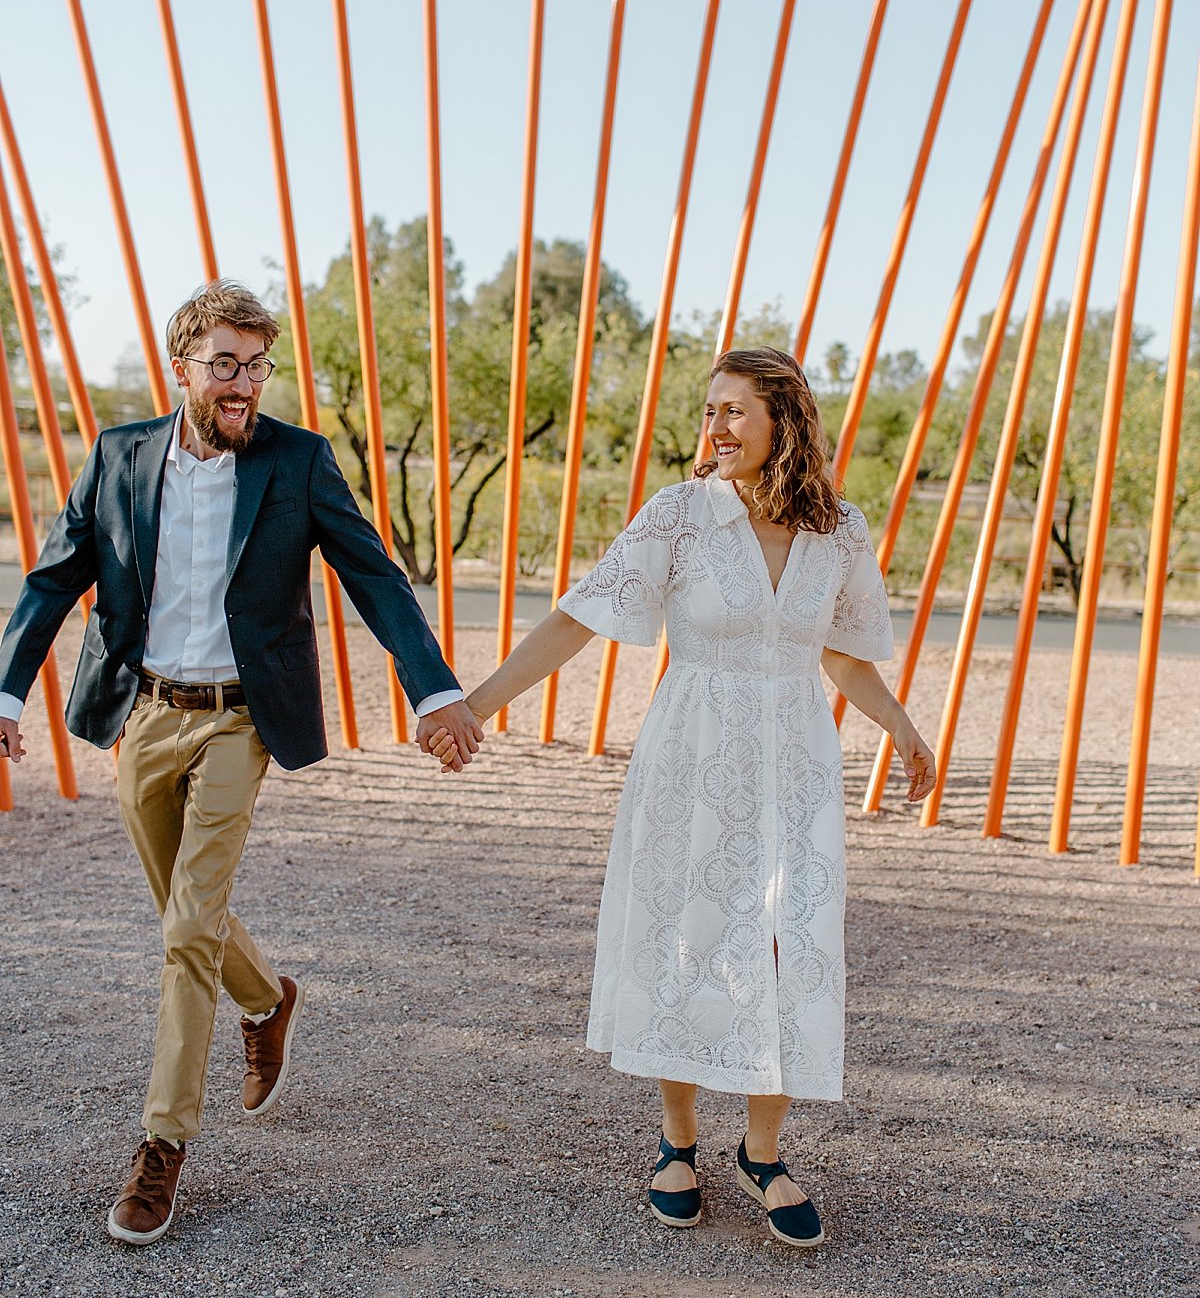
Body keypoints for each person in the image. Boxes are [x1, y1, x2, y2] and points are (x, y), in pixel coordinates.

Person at [0, 281, 483, 1246]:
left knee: (186, 928)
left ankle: (160, 1148)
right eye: (226, 365)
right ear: (181, 366)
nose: (244, 385)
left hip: (239, 720)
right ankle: (267, 998)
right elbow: (57, 576)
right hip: (146, 715)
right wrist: (5, 692)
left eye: (257, 367)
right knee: (186, 911)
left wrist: (436, 690)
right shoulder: (120, 454)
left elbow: (373, 575)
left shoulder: (298, 462)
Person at [436, 347, 935, 1248]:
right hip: (691, 758)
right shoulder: (679, 514)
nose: (717, 428)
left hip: (796, 765)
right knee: (688, 935)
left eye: (736, 411)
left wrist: (900, 727)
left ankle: (765, 1152)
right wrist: (474, 706)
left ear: (787, 419)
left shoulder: (841, 531)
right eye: (709, 411)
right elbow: (574, 619)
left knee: (786, 943)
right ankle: (676, 1144)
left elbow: (846, 654)